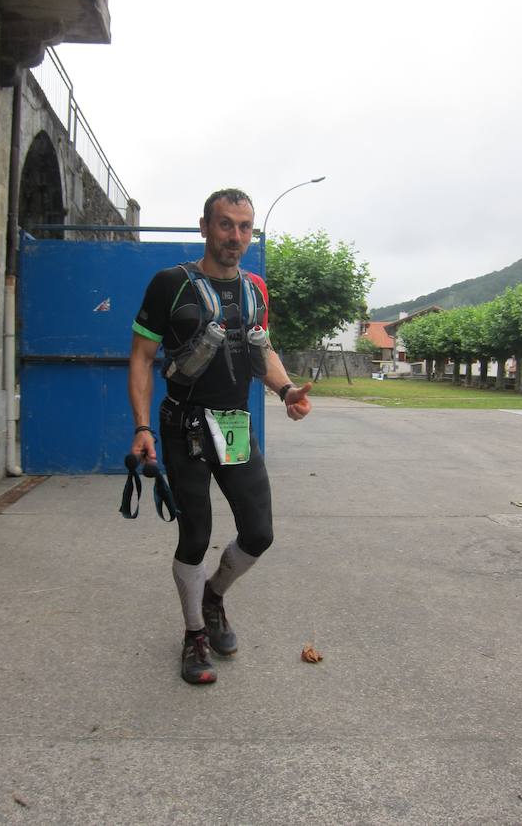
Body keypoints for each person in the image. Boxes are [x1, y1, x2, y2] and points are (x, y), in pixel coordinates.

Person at [128, 188, 312, 685]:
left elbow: (263, 350)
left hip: (232, 424)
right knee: (196, 535)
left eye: (244, 227)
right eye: (226, 224)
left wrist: (287, 389)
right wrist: (142, 426)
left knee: (259, 532)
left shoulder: (255, 289)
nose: (235, 236)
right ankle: (194, 637)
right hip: (183, 425)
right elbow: (142, 358)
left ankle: (213, 597)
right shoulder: (170, 284)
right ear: (205, 226)